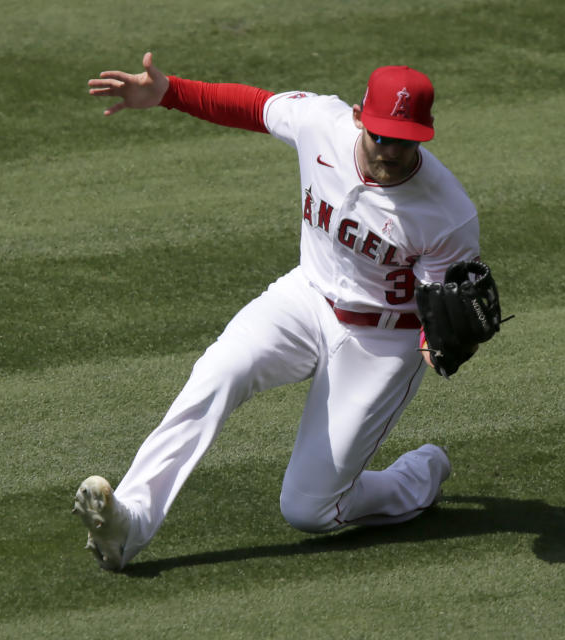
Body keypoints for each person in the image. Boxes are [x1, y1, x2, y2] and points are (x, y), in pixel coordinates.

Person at [72, 52, 481, 570]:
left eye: (406, 139)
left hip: (379, 341)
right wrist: (168, 91)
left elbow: (436, 315)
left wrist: (438, 345)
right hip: (306, 298)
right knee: (219, 371)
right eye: (382, 136)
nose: (392, 151)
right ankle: (127, 524)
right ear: (359, 116)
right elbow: (252, 106)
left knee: (310, 510)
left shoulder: (447, 213)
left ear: (426, 133)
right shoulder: (320, 123)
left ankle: (420, 474)